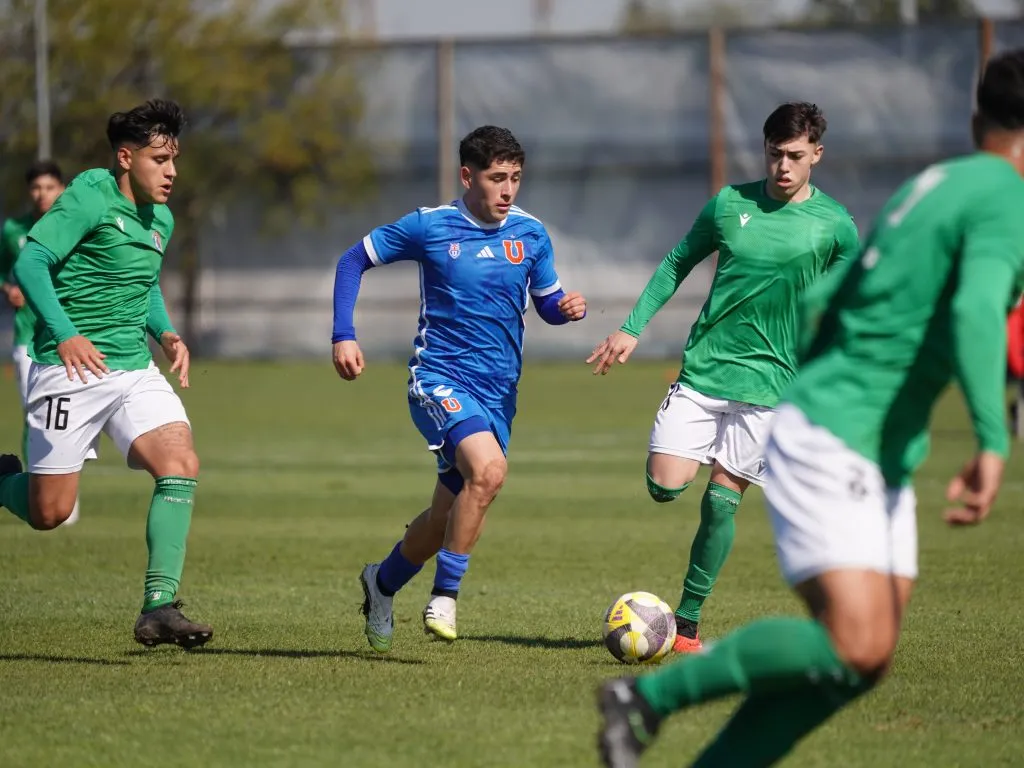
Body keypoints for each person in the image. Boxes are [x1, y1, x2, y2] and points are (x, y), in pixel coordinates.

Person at [596, 49, 1024, 768]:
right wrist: (992, 437)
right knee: (854, 638)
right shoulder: (1004, 199)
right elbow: (982, 311)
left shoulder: (932, 186)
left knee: (867, 656)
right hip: (838, 428)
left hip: (863, 431)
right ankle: (648, 699)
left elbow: (832, 296)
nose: (784, 163)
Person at [588, 102, 858, 652]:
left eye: (796, 156)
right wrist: (632, 328)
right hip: (706, 371)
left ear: (817, 156)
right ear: (765, 150)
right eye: (775, 154)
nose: (783, 166)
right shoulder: (730, 203)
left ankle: (686, 622)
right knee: (664, 487)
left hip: (774, 387)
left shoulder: (836, 226)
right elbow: (676, 263)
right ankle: (690, 483)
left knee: (722, 500)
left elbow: (852, 301)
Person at [332, 125, 587, 651]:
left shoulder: (531, 234)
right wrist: (343, 334)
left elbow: (545, 301)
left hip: (499, 394)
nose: (508, 190)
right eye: (497, 178)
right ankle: (445, 597)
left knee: (444, 517)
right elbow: (352, 259)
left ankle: (380, 584)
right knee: (490, 472)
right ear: (468, 176)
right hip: (439, 378)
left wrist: (563, 311)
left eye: (516, 178)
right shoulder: (431, 226)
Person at [0, 98, 212, 649]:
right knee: (51, 512)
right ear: (126, 157)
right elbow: (30, 263)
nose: (171, 172)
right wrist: (67, 332)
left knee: (180, 464)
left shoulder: (160, 218)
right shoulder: (90, 193)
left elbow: (142, 288)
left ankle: (159, 607)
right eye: (159, 160)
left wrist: (166, 334)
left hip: (132, 371)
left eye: (175, 160)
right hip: (67, 369)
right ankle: (2, 480)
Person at [0, 162, 82, 524]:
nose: (42, 194)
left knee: (74, 417)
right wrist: (8, 288)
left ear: (61, 189)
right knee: (38, 418)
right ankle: (39, 493)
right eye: (36, 188)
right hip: (28, 341)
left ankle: (61, 494)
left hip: (71, 342)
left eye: (49, 187)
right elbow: (5, 271)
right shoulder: (13, 230)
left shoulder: (76, 226)